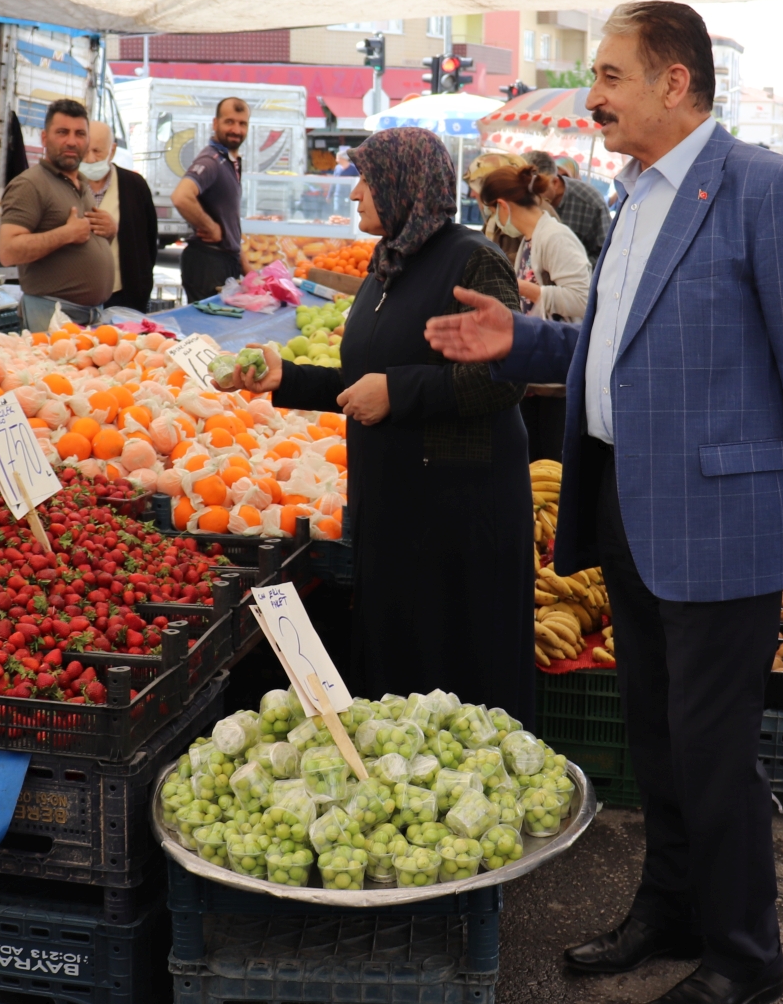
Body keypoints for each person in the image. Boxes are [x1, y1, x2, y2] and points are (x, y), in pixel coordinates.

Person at [425, 1, 783, 1004]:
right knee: (655, 740)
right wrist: (521, 342)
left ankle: (746, 959)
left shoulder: (766, 189)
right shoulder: (629, 198)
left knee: (712, 751)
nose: (592, 96)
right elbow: (612, 353)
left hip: (723, 522)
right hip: (623, 498)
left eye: (610, 75)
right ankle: (669, 909)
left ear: (675, 80)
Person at [233, 127, 533, 719]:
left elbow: (506, 374)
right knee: (400, 677)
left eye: (366, 180)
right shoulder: (390, 262)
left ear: (403, 182)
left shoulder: (472, 260)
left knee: (455, 675)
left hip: (456, 517)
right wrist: (285, 380)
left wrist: (400, 391)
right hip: (398, 507)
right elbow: (363, 380)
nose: (354, 195)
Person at [479, 163, 592, 463]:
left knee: (553, 466)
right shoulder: (531, 239)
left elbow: (584, 299)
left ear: (501, 205)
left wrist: (522, 288)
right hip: (537, 376)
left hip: (557, 382)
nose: (494, 220)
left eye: (491, 211)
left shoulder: (555, 237)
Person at [0, 99, 117, 331]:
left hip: (88, 317)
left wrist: (109, 232)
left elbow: (81, 245)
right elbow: (8, 251)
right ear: (44, 138)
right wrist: (66, 234)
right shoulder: (29, 185)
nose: (71, 141)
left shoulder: (81, 183)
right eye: (62, 132)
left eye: (79, 133)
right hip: (52, 317)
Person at [78, 122, 160, 312]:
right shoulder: (67, 184)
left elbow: (149, 242)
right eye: (85, 151)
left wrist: (117, 230)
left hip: (123, 296)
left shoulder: (134, 186)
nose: (90, 159)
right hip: (76, 298)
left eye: (98, 151)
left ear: (112, 151)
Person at [172, 97, 248, 301]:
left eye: (242, 124)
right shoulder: (211, 160)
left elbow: (228, 221)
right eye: (229, 122)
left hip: (223, 262)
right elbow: (181, 196)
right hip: (207, 263)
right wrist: (210, 227)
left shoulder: (230, 162)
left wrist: (247, 270)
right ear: (215, 124)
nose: (236, 129)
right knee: (209, 331)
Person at [524, 149, 609, 264]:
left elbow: (606, 255)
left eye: (537, 188)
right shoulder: (522, 199)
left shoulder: (590, 203)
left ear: (554, 182)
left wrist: (573, 266)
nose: (530, 197)